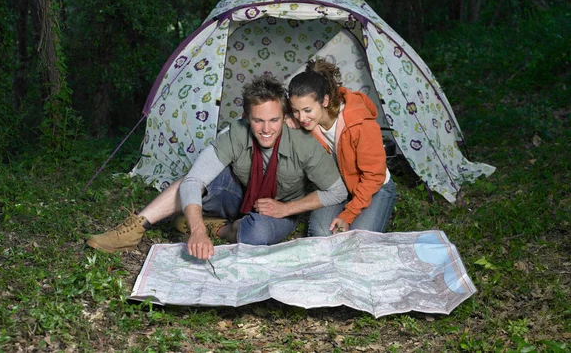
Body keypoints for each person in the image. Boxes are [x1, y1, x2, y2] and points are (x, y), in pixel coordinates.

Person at [86, 75, 348, 260]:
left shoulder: (304, 143)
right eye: (258, 121)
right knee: (192, 180)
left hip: (277, 210)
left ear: (285, 116)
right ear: (246, 117)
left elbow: (337, 192)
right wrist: (197, 232)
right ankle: (135, 228)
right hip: (238, 193)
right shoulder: (237, 132)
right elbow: (194, 181)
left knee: (256, 234)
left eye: (274, 120)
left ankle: (221, 228)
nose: (266, 129)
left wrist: (286, 208)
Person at [287, 59, 397, 236]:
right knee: (321, 234)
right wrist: (288, 117)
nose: (301, 117)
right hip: (340, 186)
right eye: (296, 111)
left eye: (307, 110)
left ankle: (373, 212)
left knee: (358, 239)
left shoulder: (359, 124)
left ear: (325, 101)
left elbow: (374, 176)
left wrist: (348, 214)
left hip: (374, 186)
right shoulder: (307, 119)